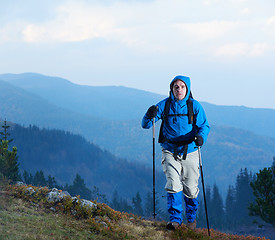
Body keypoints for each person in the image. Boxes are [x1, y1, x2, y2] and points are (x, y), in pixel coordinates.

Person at [141, 75, 210, 230]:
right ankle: (175, 221)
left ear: (188, 88)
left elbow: (204, 126)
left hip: (191, 151)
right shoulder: (165, 105)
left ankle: (191, 220)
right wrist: (148, 114)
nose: (179, 90)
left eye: (182, 87)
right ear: (171, 89)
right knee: (173, 184)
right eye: (176, 87)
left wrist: (201, 138)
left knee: (191, 188)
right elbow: (146, 124)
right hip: (169, 150)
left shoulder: (195, 106)